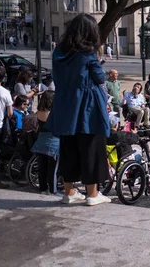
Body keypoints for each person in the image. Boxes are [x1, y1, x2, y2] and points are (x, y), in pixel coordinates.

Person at [45, 13, 110, 206]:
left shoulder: (58, 52)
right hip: (87, 106)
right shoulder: (88, 53)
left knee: (68, 148)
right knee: (91, 146)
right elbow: (99, 78)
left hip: (65, 103)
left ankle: (69, 191)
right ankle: (92, 193)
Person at [29, 91, 61, 196]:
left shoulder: (39, 112)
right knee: (53, 169)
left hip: (41, 140)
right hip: (53, 142)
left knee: (42, 167)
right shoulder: (54, 113)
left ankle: (43, 188)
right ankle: (53, 190)